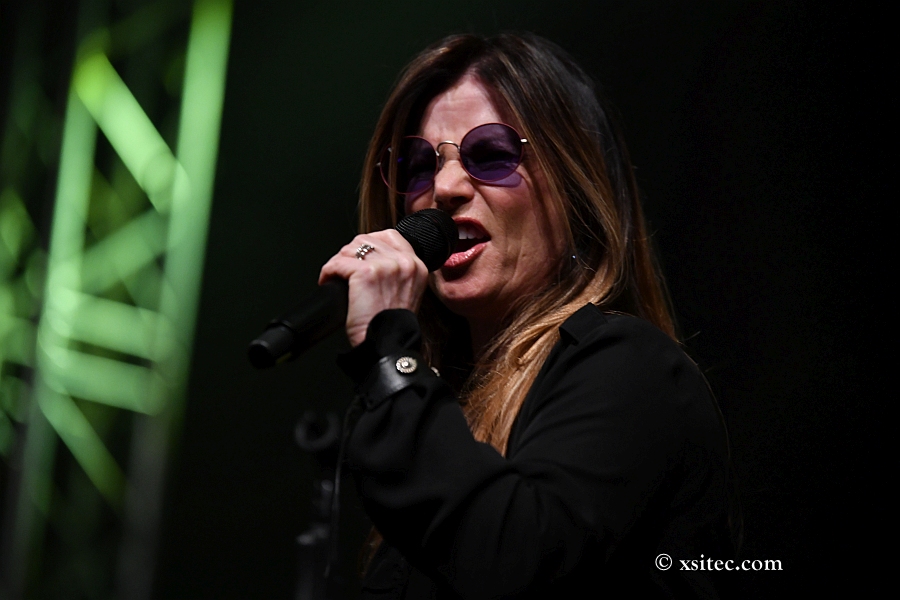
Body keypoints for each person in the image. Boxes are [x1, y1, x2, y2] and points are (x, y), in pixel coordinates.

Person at [319, 33, 732, 599]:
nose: (444, 188)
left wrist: (390, 359)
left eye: (490, 154)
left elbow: (515, 565)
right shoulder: (444, 406)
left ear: (572, 184)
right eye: (418, 165)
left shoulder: (632, 369)